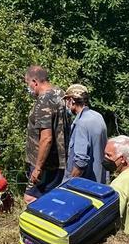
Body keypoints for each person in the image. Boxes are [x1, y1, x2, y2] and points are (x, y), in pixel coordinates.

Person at [24, 65, 68, 204]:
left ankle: (39, 223)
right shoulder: (60, 93)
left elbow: (47, 138)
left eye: (28, 84)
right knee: (54, 196)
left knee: (31, 198)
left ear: (35, 82)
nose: (28, 88)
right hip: (61, 160)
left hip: (46, 162)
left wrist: (38, 168)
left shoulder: (44, 101)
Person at [62, 84, 108, 183]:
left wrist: (70, 183)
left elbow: (80, 161)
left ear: (72, 100)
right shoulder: (98, 117)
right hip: (99, 183)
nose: (66, 104)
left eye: (66, 100)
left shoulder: (81, 123)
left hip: (85, 186)